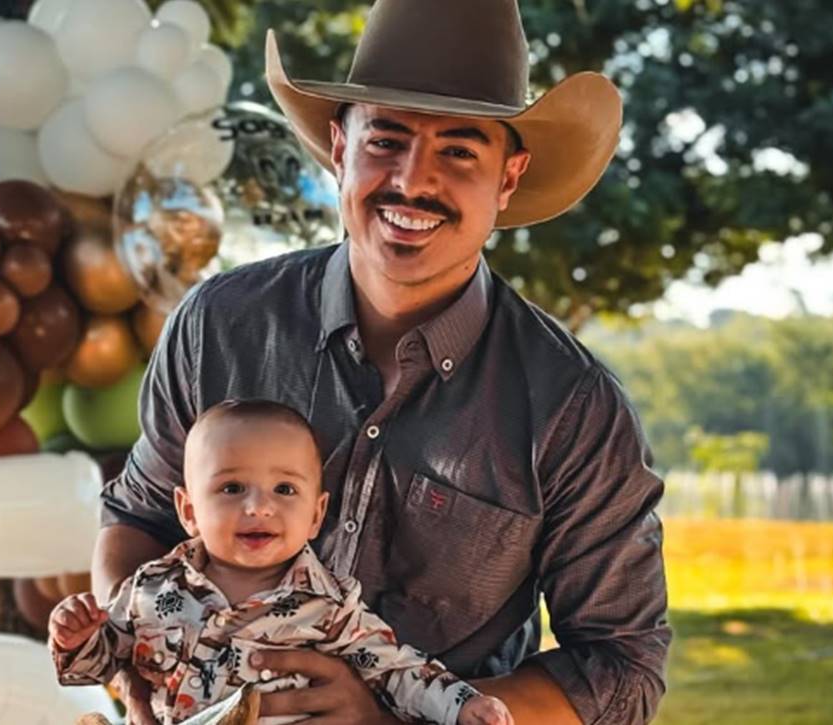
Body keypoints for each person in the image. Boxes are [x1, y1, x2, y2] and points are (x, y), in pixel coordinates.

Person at [94, 1, 671, 723]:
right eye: (386, 140)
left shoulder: (573, 406)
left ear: (509, 176)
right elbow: (140, 515)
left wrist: (392, 717)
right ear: (340, 147)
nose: (413, 180)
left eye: (459, 151)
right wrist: (132, 666)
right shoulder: (220, 324)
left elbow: (621, 668)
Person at [51, 400, 513, 725]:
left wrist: (462, 706)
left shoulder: (330, 607)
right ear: (189, 511)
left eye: (285, 490)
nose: (258, 507)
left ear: (315, 515)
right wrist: (78, 638)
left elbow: (398, 670)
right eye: (232, 488)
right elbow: (100, 663)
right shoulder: (151, 589)